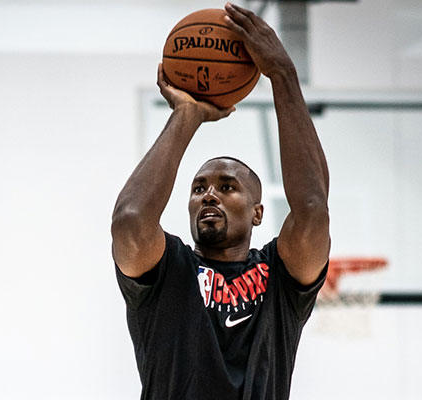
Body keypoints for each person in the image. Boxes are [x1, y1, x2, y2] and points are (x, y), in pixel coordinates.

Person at [110, 3, 330, 400]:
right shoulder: (167, 271)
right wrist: (187, 115)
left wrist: (283, 74)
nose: (209, 193)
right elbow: (129, 221)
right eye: (198, 188)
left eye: (227, 187)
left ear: (258, 212)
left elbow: (313, 211)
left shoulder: (281, 278)